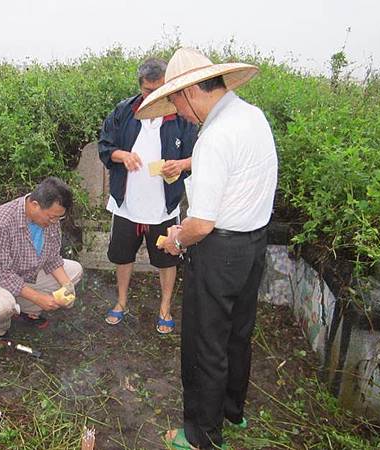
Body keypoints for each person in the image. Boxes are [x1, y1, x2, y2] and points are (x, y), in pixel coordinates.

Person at [136, 48, 278, 449]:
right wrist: (186, 166)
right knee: (238, 334)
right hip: (252, 245)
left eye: (176, 100)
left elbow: (201, 224)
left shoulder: (214, 136)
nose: (177, 111)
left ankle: (201, 434)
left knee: (206, 344)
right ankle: (233, 411)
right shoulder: (251, 116)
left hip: (218, 252)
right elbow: (237, 174)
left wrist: (176, 237)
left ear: (193, 92)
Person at [98, 58, 198, 334]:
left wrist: (180, 165)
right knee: (122, 256)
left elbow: (198, 156)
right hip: (126, 205)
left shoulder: (181, 116)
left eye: (160, 90)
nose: (153, 96)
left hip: (164, 207)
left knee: (167, 259)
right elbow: (105, 146)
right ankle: (121, 302)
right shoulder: (124, 111)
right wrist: (123, 156)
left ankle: (165, 308)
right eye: (147, 91)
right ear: (140, 86)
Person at [0, 177, 83, 337]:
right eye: (52, 217)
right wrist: (39, 298)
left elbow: (52, 258)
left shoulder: (50, 219)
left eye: (59, 217)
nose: (55, 221)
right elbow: (3, 274)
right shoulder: (0, 223)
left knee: (74, 271)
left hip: (25, 272)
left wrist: (67, 286)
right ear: (35, 205)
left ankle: (23, 308)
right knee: (2, 308)